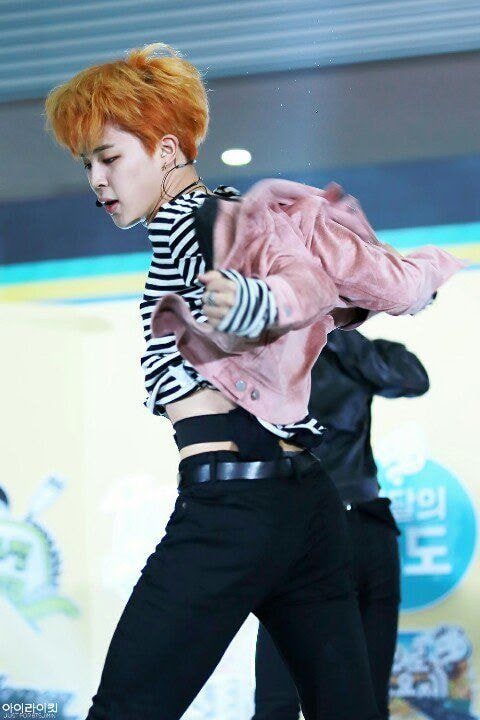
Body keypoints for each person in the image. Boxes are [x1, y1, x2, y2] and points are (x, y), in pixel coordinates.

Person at [44, 43, 462, 720]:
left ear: (167, 150)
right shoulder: (202, 226)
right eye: (86, 163)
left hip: (235, 504)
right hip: (303, 506)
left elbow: (293, 282)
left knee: (125, 708)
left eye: (109, 157)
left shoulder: (207, 221)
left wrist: (254, 303)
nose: (96, 178)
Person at [253, 329, 430, 720]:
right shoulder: (273, 354)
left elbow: (414, 379)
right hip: (307, 532)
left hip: (361, 528)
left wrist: (331, 329)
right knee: (281, 702)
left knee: (365, 702)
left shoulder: (350, 350)